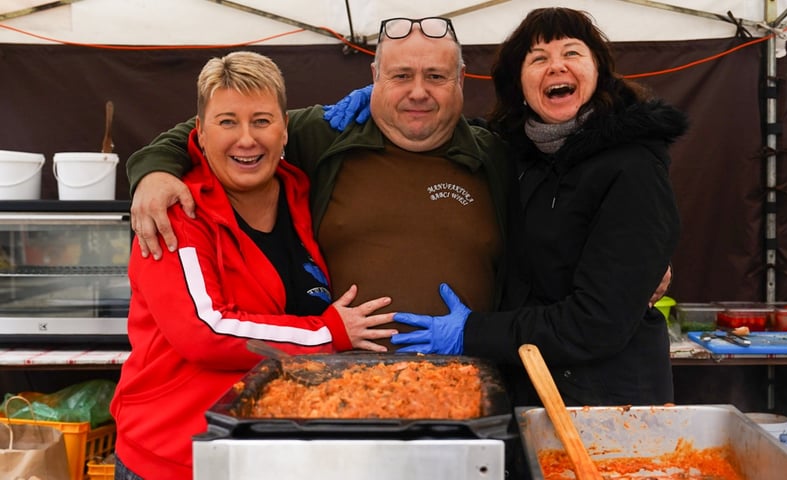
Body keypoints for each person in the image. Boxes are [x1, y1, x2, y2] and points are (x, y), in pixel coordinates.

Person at [124, 18, 515, 350]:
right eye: (400, 76)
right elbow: (226, 128)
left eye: (435, 76)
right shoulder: (327, 133)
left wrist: (484, 336)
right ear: (375, 77)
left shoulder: (495, 156)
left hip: (470, 380)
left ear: (460, 79)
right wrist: (155, 171)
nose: (417, 91)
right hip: (338, 385)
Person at [110, 51, 397, 480]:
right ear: (200, 132)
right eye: (227, 122)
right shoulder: (176, 215)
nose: (246, 139)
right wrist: (329, 332)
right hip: (180, 456)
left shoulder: (302, 195)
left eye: (261, 121)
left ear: (285, 130)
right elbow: (204, 330)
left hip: (270, 451)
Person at [388, 7, 686, 407]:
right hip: (527, 389)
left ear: (598, 70)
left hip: (609, 403)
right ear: (520, 83)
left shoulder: (632, 167)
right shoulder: (517, 155)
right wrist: (376, 105)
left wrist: (472, 332)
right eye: (538, 58)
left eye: (572, 53)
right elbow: (446, 130)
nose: (556, 66)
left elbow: (596, 323)